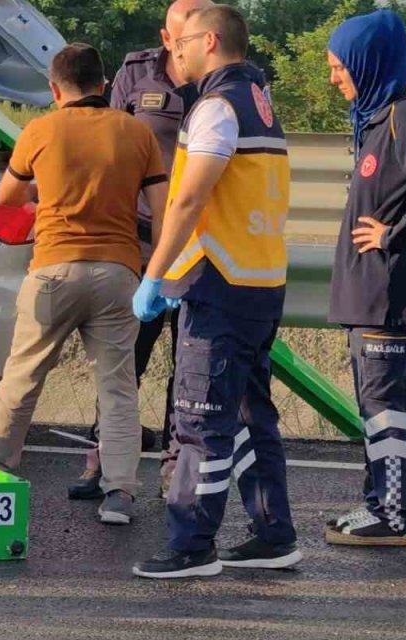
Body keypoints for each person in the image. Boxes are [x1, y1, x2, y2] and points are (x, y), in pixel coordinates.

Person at [130, 5, 300, 578]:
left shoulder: (217, 105)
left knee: (199, 419)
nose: (172, 53)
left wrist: (156, 271)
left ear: (209, 40)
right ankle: (274, 534)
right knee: (253, 415)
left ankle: (190, 544)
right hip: (260, 280)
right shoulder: (260, 100)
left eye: (179, 43)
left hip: (219, 285)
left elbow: (189, 197)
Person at [0, 43, 169, 525]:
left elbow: (7, 196)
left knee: (22, 378)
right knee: (118, 387)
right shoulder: (137, 132)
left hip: (52, 273)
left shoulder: (40, 131)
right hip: (118, 273)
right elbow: (164, 212)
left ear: (53, 89)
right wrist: (156, 273)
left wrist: (48, 183)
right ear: (104, 85)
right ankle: (120, 493)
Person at [68, 0, 215, 503]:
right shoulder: (137, 72)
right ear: (166, 34)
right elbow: (107, 140)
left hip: (200, 241)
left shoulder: (227, 80)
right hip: (143, 237)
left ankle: (175, 467)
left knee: (189, 362)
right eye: (178, 36)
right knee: (126, 356)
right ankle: (103, 458)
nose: (184, 45)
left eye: (194, 35)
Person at [323, 10, 406, 546]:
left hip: (384, 293)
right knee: (374, 407)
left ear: (366, 62)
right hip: (365, 295)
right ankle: (377, 503)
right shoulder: (375, 120)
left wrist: (393, 235)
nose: (334, 77)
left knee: (385, 406)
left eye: (338, 66)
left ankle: (395, 514)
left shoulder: (402, 116)